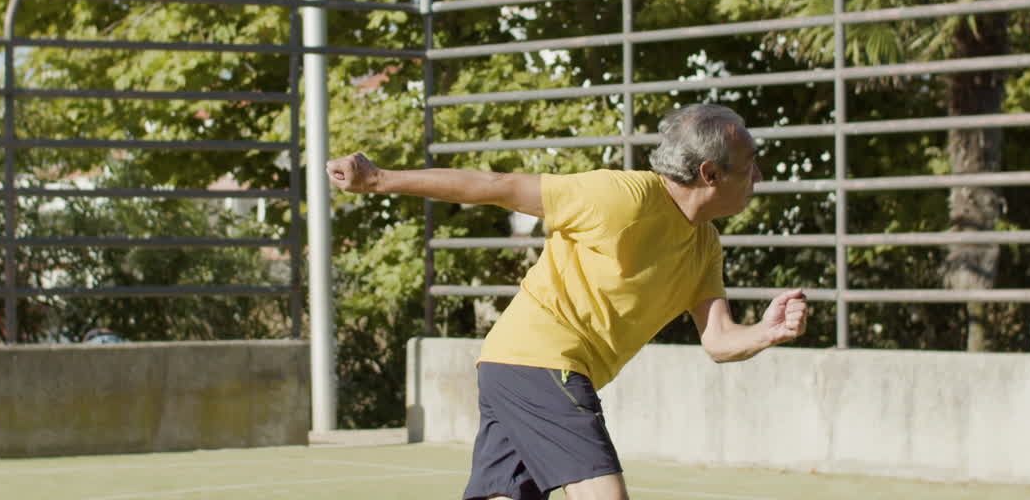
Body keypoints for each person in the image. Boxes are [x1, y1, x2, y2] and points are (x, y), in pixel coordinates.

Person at [326, 103, 808, 500]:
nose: (758, 176)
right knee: (602, 496)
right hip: (541, 360)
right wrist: (378, 180)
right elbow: (499, 188)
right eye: (749, 168)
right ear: (709, 173)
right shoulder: (621, 197)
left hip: (510, 368)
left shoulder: (704, 246)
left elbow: (719, 340)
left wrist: (767, 331)